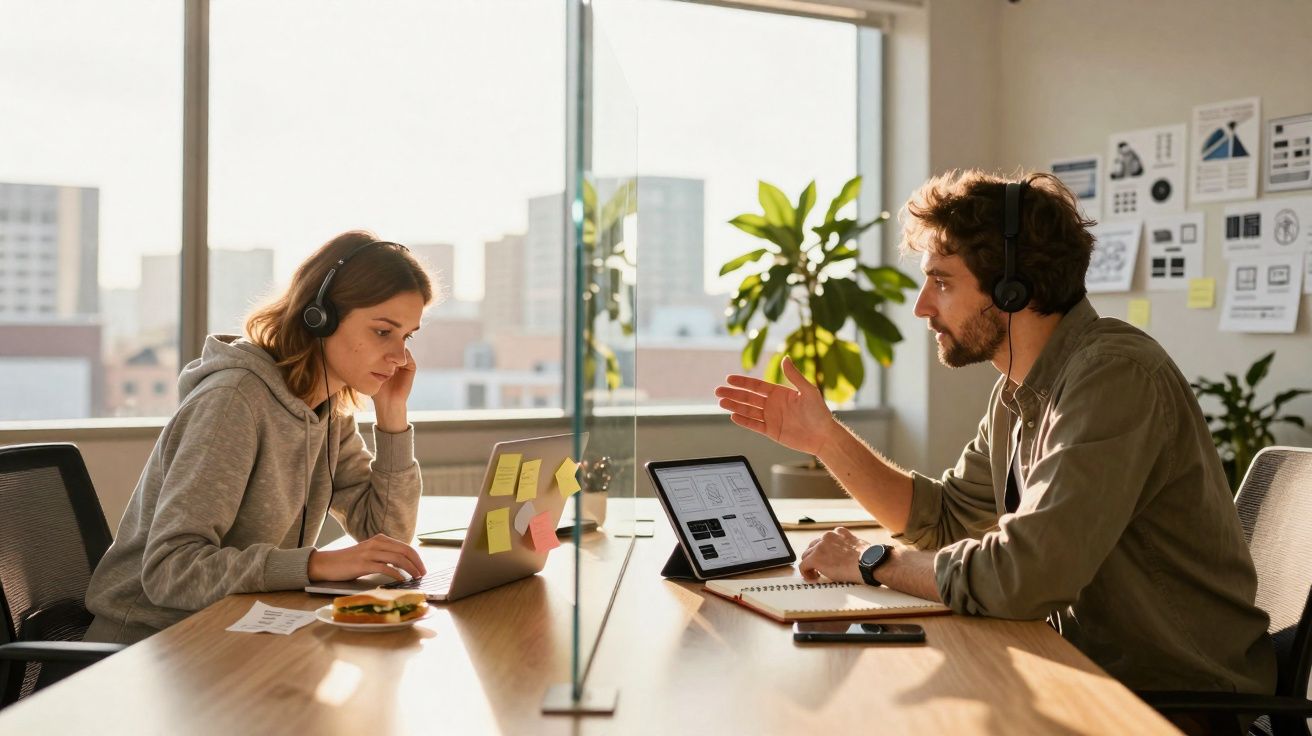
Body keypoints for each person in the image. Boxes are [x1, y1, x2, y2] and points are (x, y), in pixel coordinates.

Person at [715, 171, 1274, 733]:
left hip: (1177, 705)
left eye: (941, 282)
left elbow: (1023, 577)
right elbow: (946, 519)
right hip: (1090, 674)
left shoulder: (1114, 377)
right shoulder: (1019, 392)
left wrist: (872, 561)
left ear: (1013, 287)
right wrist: (825, 439)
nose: (921, 307)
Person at [86, 231, 434, 644]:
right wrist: (316, 564)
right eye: (383, 332)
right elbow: (171, 571)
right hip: (146, 648)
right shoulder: (233, 401)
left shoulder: (327, 406)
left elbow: (387, 534)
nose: (401, 357)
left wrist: (392, 416)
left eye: (407, 336)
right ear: (319, 317)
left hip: (232, 633)